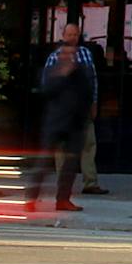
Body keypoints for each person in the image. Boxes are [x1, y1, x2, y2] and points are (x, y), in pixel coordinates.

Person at [33, 16, 100, 213]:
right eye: (69, 34)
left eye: (75, 35)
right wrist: (62, 75)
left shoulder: (84, 58)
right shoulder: (54, 61)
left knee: (82, 151)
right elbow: (46, 88)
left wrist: (92, 103)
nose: (72, 38)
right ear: (63, 36)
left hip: (77, 120)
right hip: (57, 121)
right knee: (49, 159)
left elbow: (91, 84)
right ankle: (33, 197)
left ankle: (78, 189)